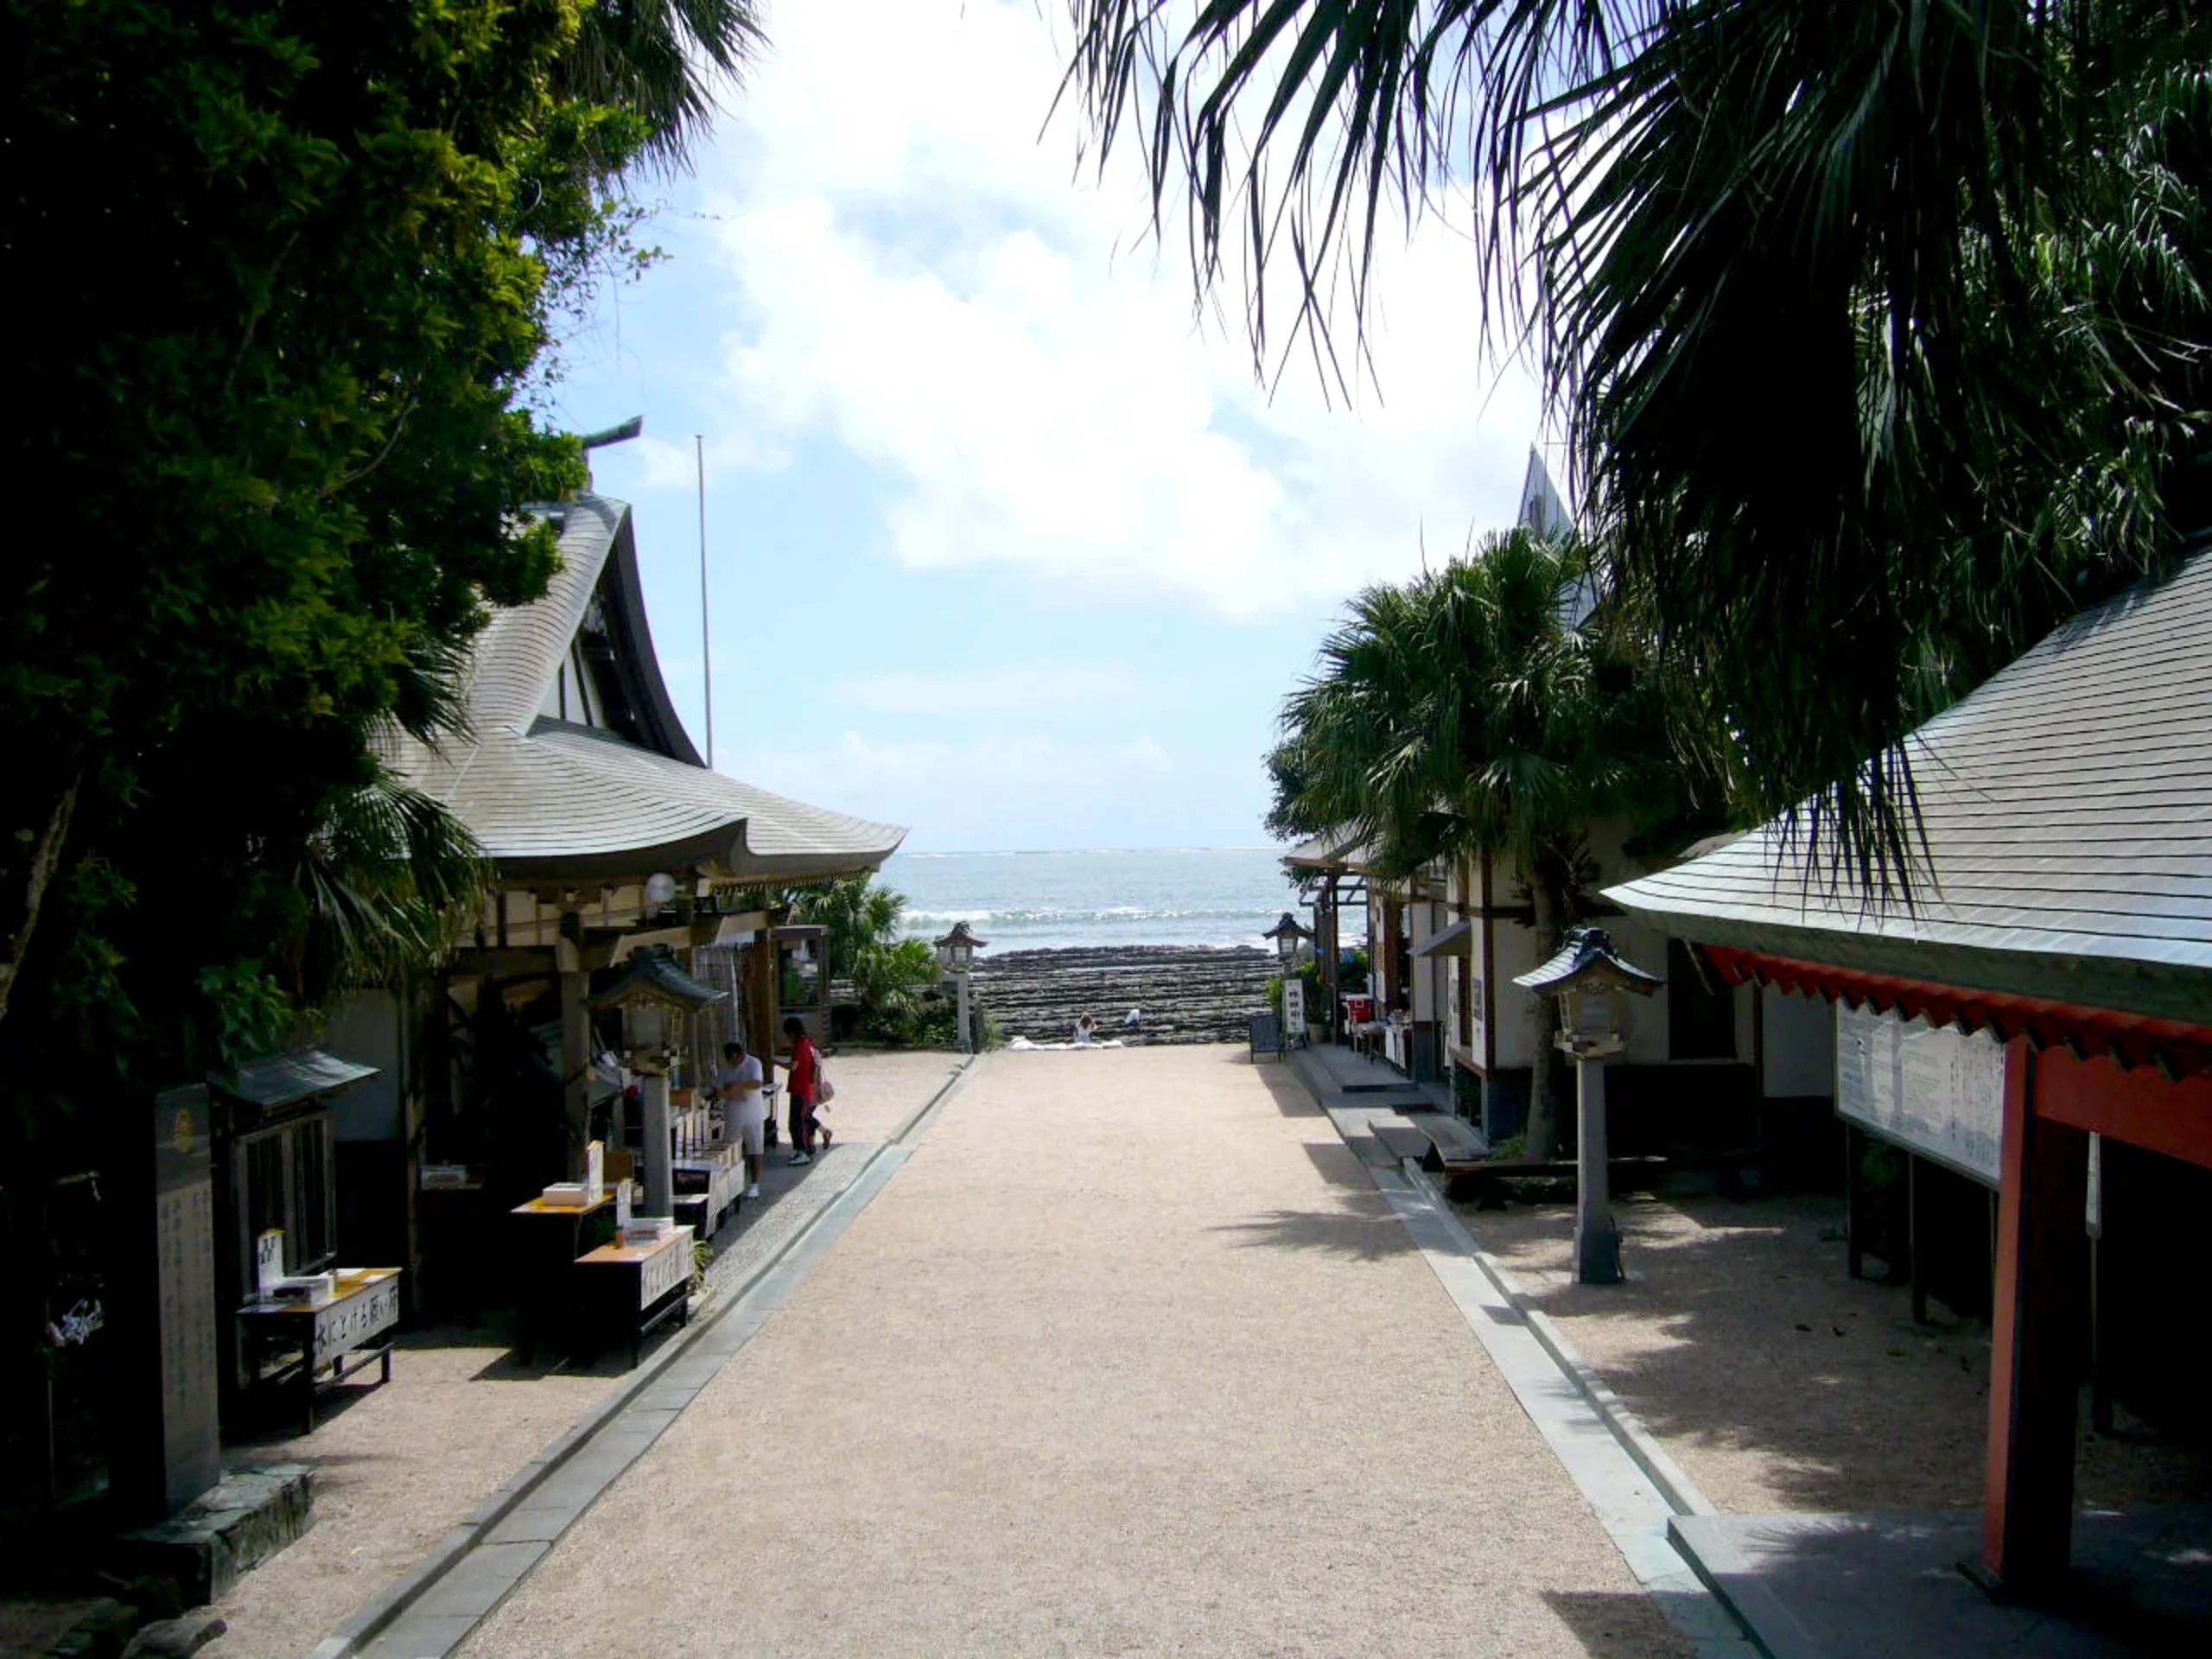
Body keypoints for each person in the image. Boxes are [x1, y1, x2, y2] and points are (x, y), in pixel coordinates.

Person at [716, 1039, 766, 1199]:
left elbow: (757, 1083)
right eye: (729, 1061)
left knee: (756, 1149)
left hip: (754, 1114)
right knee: (731, 1149)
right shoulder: (724, 1067)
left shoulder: (754, 1063)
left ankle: (755, 1184)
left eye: (734, 1060)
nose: (732, 1064)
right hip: (733, 1114)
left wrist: (737, 1085)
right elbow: (718, 1089)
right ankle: (734, 1185)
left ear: (740, 1055)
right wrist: (729, 1094)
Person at [784, 1015, 828, 1164]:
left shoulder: (799, 1045)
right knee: (799, 1121)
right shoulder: (808, 1043)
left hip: (800, 1089)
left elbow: (793, 1066)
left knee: (799, 1121)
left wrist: (774, 1062)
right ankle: (802, 1149)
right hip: (805, 1089)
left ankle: (803, 1151)